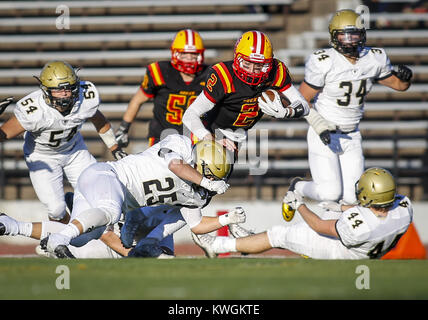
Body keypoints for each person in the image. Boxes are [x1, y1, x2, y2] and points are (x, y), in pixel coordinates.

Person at [38, 134, 245, 258]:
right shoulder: (180, 145)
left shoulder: (195, 193)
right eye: (208, 174)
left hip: (113, 196)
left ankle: (11, 225)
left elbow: (196, 224)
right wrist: (207, 181)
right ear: (199, 162)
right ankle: (59, 237)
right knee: (109, 213)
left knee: (81, 239)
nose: (210, 183)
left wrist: (227, 219)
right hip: (109, 176)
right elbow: (175, 165)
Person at [293, 9, 413, 206]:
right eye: (344, 35)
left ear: (363, 34)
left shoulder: (374, 58)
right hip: (324, 131)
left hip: (352, 134)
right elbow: (301, 100)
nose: (349, 40)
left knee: (353, 198)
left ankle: (339, 232)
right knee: (329, 193)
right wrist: (318, 124)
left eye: (354, 34)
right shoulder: (324, 61)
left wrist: (406, 79)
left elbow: (399, 86)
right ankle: (296, 187)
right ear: (334, 36)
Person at [0, 61, 126, 223]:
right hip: (42, 156)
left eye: (68, 88)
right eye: (59, 89)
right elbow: (3, 135)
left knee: (99, 191)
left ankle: (78, 220)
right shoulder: (33, 110)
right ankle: (61, 237)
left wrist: (114, 148)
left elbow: (99, 120)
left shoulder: (85, 97)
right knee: (56, 210)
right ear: (46, 90)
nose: (65, 93)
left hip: (75, 151)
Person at [193, 167, 413, 259]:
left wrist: (299, 204)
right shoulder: (403, 209)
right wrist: (343, 208)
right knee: (322, 218)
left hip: (343, 253)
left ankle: (218, 246)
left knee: (279, 235)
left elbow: (317, 225)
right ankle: (249, 240)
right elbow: (373, 210)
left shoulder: (360, 226)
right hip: (365, 244)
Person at [182, 30, 309, 153]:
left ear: (268, 64)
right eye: (247, 64)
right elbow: (189, 115)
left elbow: (304, 105)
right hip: (206, 130)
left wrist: (287, 112)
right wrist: (210, 138)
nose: (252, 71)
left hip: (236, 136)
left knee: (217, 173)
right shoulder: (224, 76)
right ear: (237, 58)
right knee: (208, 168)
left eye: (258, 65)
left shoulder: (277, 72)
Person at [115, 29, 209, 149]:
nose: (189, 58)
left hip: (196, 136)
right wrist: (123, 128)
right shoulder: (160, 72)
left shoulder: (209, 75)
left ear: (201, 55)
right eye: (184, 54)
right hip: (162, 135)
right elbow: (138, 100)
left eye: (194, 54)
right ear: (175, 54)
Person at [0, 205, 182, 259]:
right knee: (79, 238)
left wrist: (150, 253)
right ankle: (12, 226)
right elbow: (105, 234)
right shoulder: (123, 194)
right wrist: (134, 254)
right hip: (105, 244)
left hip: (119, 250)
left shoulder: (166, 211)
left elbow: (166, 255)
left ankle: (49, 245)